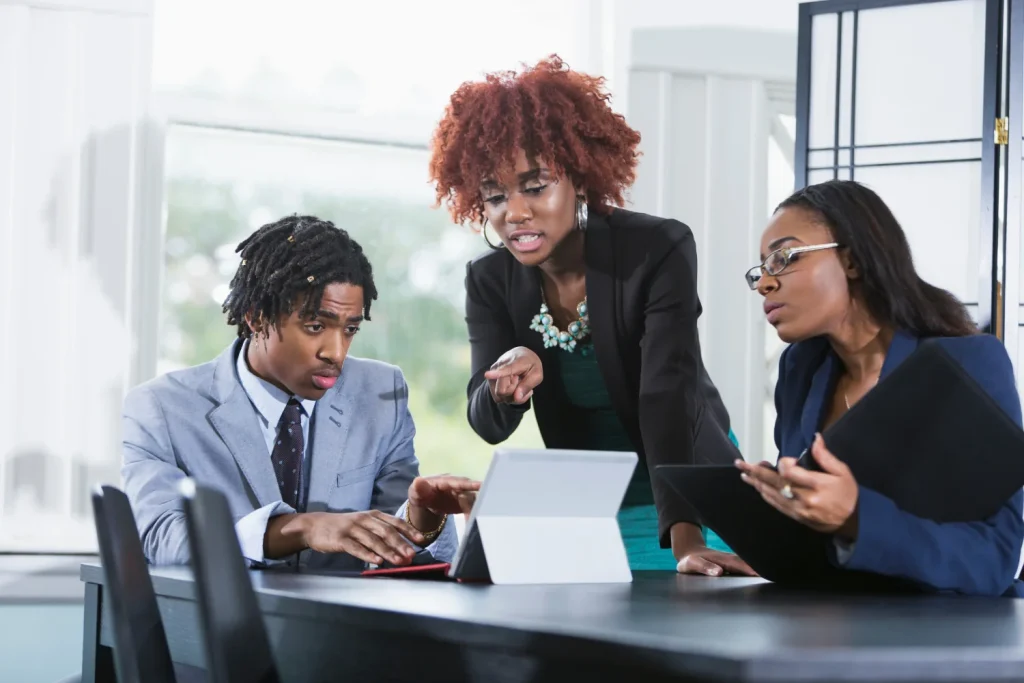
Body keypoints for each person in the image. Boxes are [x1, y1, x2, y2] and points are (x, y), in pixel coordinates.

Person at [427, 55, 753, 576]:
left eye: (535, 186)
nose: (514, 212)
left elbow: (667, 391)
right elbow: (484, 422)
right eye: (495, 195)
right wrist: (502, 388)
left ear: (578, 178)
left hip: (689, 487)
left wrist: (687, 540)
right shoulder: (489, 280)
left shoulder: (656, 249)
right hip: (589, 501)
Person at [123, 215, 479, 568]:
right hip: (230, 622)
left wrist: (422, 519)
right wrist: (300, 528)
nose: (336, 353)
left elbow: (395, 553)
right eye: (314, 326)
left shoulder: (381, 393)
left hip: (348, 623)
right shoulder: (162, 409)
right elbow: (161, 537)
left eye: (350, 330)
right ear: (256, 316)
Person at [736, 179, 1024, 596]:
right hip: (823, 628)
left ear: (852, 261)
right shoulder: (801, 368)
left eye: (783, 258)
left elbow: (992, 559)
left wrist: (856, 517)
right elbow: (817, 541)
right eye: (761, 268)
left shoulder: (968, 364)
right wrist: (770, 547)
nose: (764, 282)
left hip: (946, 636)